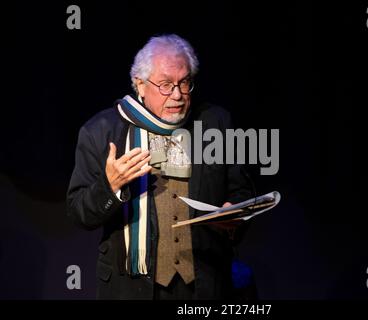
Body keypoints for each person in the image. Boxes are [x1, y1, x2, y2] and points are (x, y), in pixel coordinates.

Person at [66, 34, 251, 299]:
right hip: (133, 287)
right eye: (165, 85)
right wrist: (111, 187)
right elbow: (79, 213)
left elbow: (241, 192)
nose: (177, 94)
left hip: (204, 283)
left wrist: (234, 217)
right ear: (140, 85)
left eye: (184, 82)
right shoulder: (101, 132)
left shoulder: (215, 123)